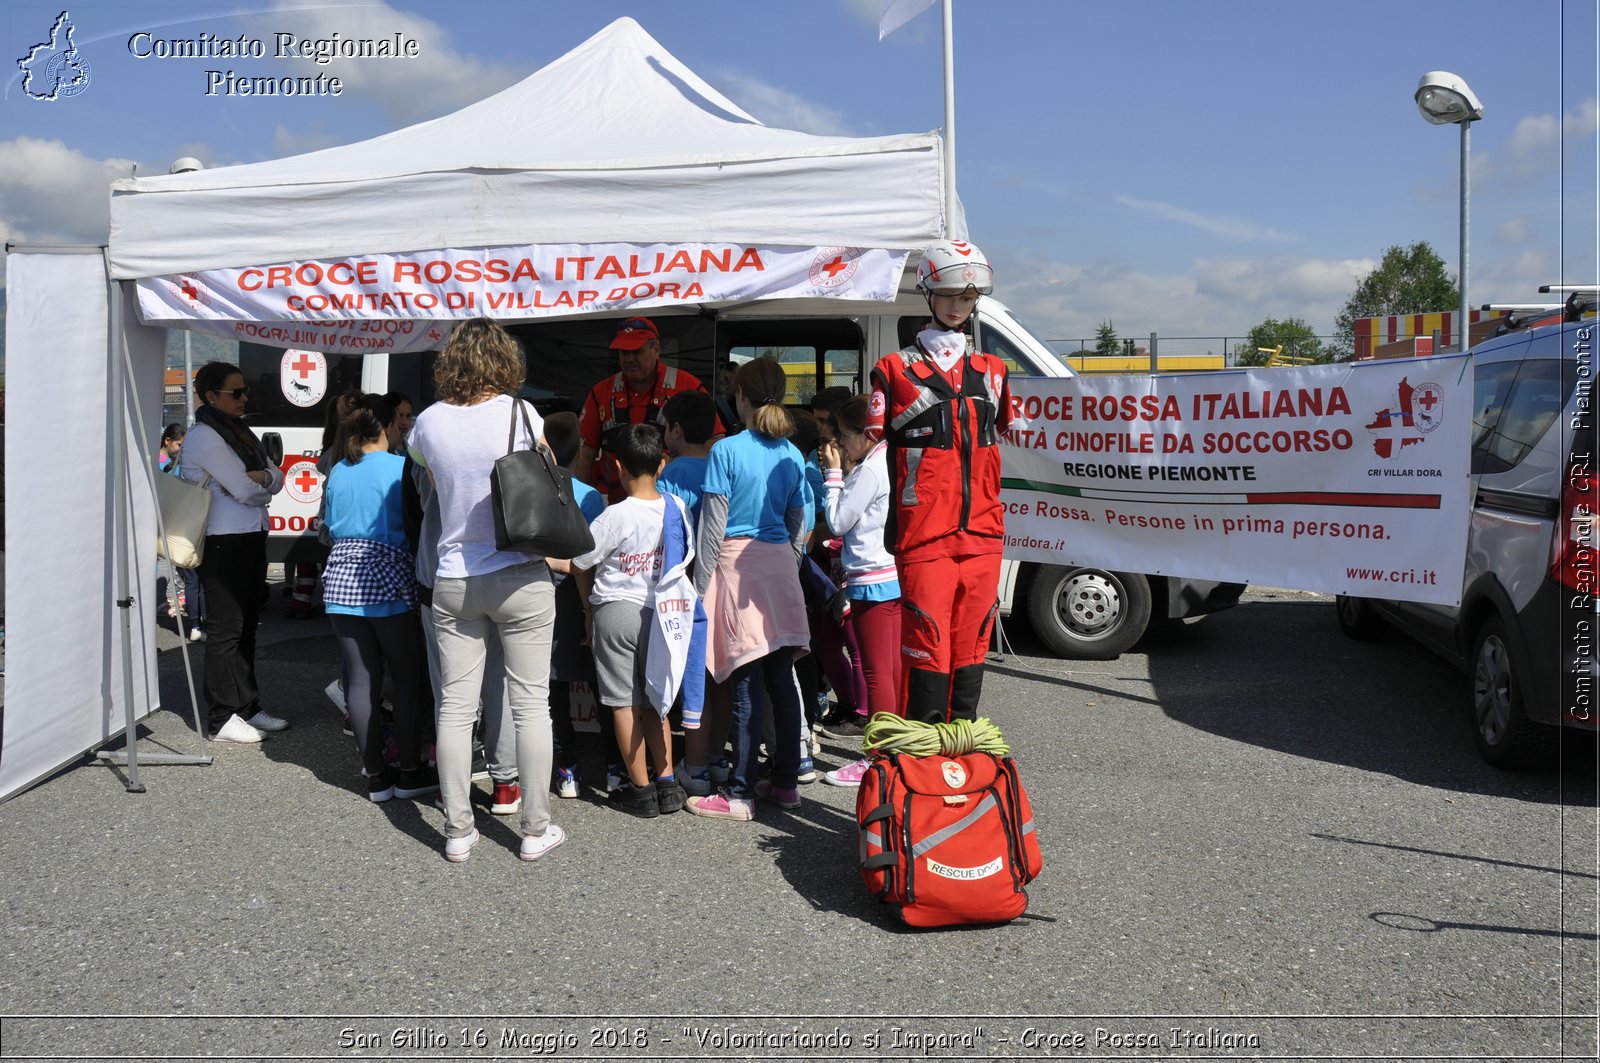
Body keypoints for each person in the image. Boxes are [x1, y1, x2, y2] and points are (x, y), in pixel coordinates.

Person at [407, 318, 566, 864]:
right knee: (531, 705)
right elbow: (547, 475)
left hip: (453, 576)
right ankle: (534, 829)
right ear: (506, 360)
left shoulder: (426, 424)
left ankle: (457, 831)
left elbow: (426, 475)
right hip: (519, 572)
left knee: (454, 707)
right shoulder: (523, 415)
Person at [867, 240, 1012, 725]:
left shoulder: (994, 372)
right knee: (927, 643)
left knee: (973, 641)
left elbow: (1005, 432)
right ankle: (924, 760)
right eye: (949, 294)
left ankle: (964, 756)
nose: (958, 305)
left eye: (968, 298)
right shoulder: (892, 370)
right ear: (929, 293)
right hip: (924, 535)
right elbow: (869, 446)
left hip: (984, 534)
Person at [688, 358, 810, 821]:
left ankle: (739, 793)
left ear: (740, 396)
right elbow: (799, 523)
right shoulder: (793, 453)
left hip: (738, 569)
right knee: (782, 681)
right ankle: (784, 783)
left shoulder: (726, 450)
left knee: (744, 684)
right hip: (779, 569)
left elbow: (712, 529)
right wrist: (788, 561)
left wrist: (699, 590)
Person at [321, 394, 437, 803]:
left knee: (362, 680)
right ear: (386, 427)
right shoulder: (399, 467)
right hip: (388, 577)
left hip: (339, 580)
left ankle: (375, 775)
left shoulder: (338, 470)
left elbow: (330, 524)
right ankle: (409, 771)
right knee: (406, 679)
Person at [571, 423, 691, 819]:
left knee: (624, 704)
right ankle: (668, 783)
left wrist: (588, 609)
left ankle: (639, 789)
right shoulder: (677, 508)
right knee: (656, 700)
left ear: (617, 466)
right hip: (661, 613)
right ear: (662, 465)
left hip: (616, 612)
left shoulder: (614, 516)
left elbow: (581, 562)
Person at [179, 362, 287, 743]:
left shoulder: (239, 433)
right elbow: (247, 491)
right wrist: (256, 482)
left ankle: (248, 707)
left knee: (246, 629)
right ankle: (220, 716)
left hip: (249, 536)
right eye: (235, 393)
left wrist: (260, 479)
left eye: (244, 391)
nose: (245, 398)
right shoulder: (206, 437)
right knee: (226, 631)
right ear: (211, 396)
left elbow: (276, 475)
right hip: (224, 541)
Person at [818, 395, 901, 785]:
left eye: (845, 436)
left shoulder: (870, 469)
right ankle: (895, 752)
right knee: (893, 671)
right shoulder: (890, 458)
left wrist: (833, 474)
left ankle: (879, 759)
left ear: (865, 434)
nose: (841, 445)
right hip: (893, 576)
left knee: (876, 674)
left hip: (872, 580)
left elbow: (836, 521)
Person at [656, 390, 731, 796]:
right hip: (727, 580)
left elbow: (671, 537)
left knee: (695, 680)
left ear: (676, 429)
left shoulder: (672, 475)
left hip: (689, 586)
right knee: (720, 676)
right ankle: (717, 758)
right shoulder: (725, 465)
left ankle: (696, 766)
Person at [540, 411, 607, 801]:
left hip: (538, 594)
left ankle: (568, 769)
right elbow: (591, 559)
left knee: (553, 687)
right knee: (599, 682)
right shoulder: (590, 496)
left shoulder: (529, 491)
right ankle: (615, 767)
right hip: (581, 596)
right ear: (580, 450)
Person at [575, 317, 709, 503]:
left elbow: (713, 443)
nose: (629, 359)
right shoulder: (600, 393)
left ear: (656, 350)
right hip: (616, 505)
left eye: (636, 351)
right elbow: (584, 453)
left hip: (673, 504)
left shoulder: (689, 387)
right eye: (624, 353)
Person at [160, 424, 206, 641]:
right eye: (179, 444)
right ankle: (199, 624)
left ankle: (196, 624)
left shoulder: (170, 467)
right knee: (198, 579)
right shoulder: (189, 467)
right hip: (192, 528)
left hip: (178, 528)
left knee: (191, 579)